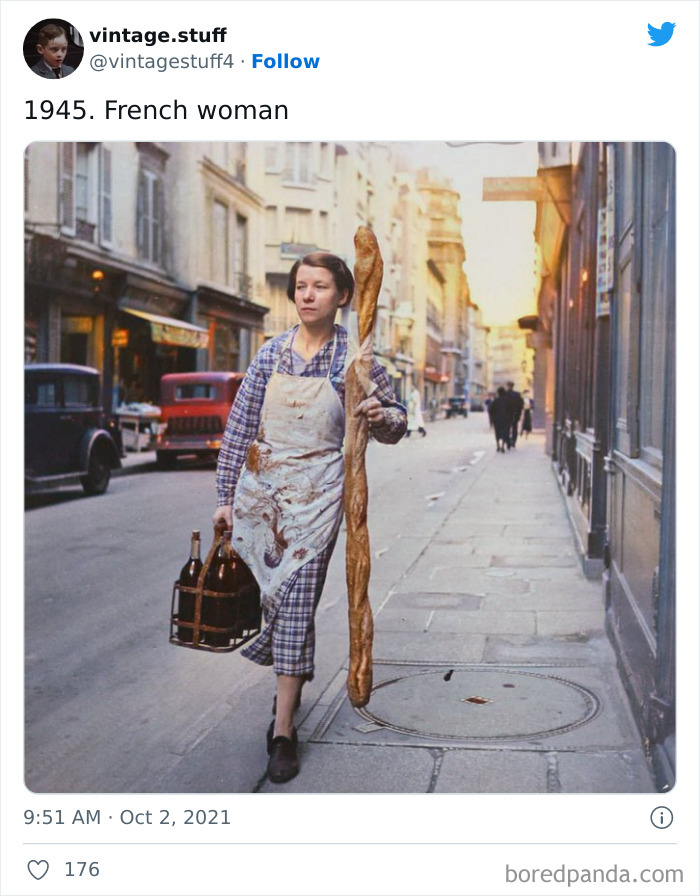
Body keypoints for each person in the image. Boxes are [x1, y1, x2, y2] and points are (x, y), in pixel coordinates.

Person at [212, 252, 407, 784]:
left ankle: (282, 733)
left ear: (343, 296)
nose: (307, 295)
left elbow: (397, 424)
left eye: (320, 286)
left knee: (296, 603)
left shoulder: (357, 360)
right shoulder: (270, 353)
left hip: (319, 502)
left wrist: (377, 413)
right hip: (263, 501)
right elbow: (239, 428)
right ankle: (290, 686)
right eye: (301, 286)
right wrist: (227, 496)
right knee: (270, 605)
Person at [488, 386, 511, 452]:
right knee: (505, 432)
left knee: (497, 432)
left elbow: (491, 410)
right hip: (506, 419)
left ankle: (498, 445)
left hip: (497, 419)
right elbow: (511, 410)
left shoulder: (495, 401)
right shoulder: (507, 401)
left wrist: (492, 419)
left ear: (498, 393)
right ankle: (503, 446)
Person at [504, 381, 524, 449]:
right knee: (514, 428)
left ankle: (508, 441)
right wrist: (519, 413)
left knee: (507, 428)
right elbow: (521, 405)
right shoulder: (517, 394)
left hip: (507, 415)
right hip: (515, 414)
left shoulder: (504, 394)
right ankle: (513, 442)